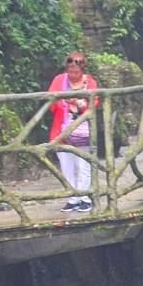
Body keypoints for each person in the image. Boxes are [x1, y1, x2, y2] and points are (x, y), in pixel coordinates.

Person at [48, 51, 97, 211]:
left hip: (82, 130)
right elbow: (50, 101)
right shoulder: (58, 80)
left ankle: (85, 196)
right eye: (70, 71)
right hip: (61, 130)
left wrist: (81, 105)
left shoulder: (90, 82)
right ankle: (72, 197)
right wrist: (65, 104)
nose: (73, 75)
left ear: (82, 70)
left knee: (83, 164)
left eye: (76, 72)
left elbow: (94, 103)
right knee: (66, 165)